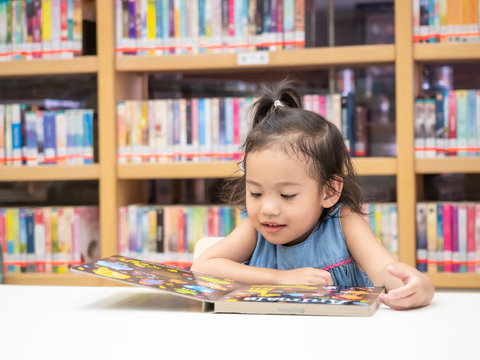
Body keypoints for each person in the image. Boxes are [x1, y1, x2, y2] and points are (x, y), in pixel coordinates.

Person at [191, 80, 434, 310]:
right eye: (256, 193)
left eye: (287, 195)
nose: (268, 208)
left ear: (329, 192)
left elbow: (384, 269)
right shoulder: (256, 229)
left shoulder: (343, 222)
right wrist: (279, 278)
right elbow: (203, 267)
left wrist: (420, 287)